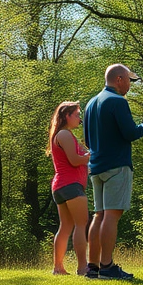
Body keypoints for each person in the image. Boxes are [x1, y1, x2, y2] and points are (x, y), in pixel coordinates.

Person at [84, 63, 143, 280]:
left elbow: (88, 140)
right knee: (112, 215)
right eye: (128, 80)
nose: (129, 85)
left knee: (99, 215)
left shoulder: (91, 103)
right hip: (117, 165)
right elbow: (129, 133)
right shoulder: (117, 101)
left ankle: (93, 267)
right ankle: (107, 266)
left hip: (96, 167)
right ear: (119, 79)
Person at [47, 101, 91, 275]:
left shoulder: (65, 135)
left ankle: (58, 268)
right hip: (70, 185)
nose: (79, 119)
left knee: (65, 227)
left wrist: (87, 154)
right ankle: (82, 267)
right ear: (67, 116)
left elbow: (80, 155)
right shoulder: (64, 134)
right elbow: (74, 160)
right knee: (81, 224)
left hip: (62, 186)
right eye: (77, 115)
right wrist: (89, 157)